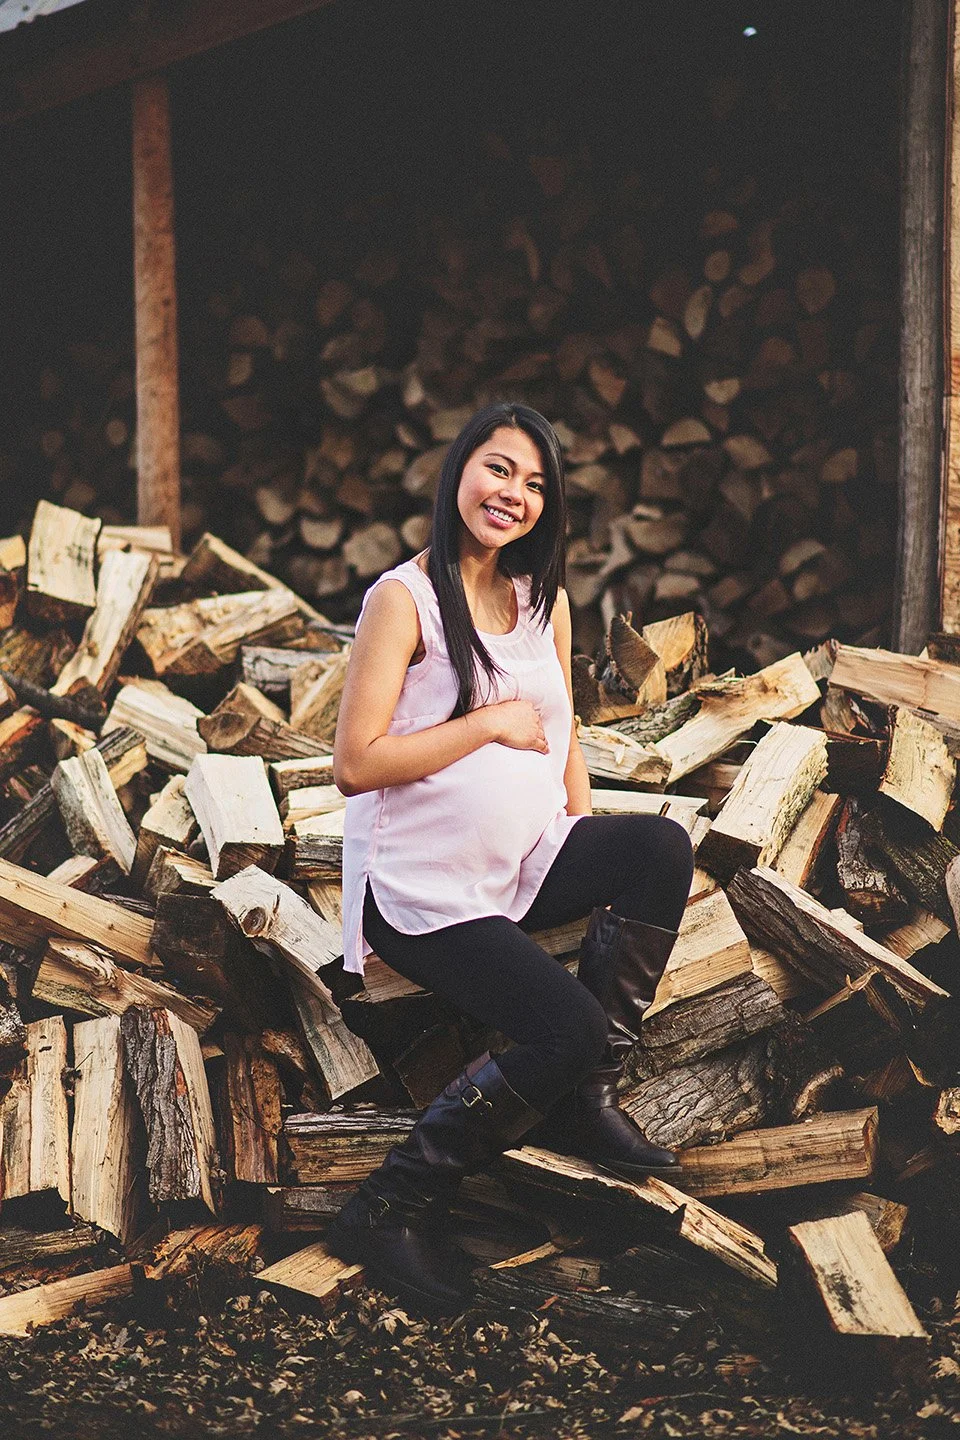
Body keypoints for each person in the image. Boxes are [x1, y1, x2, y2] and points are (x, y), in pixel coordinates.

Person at [328, 402, 694, 1312]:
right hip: (422, 890)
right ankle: (388, 1206)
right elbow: (355, 763)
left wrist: (580, 831)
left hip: (524, 859)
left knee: (658, 844)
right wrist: (485, 723)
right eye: (498, 469)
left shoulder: (543, 601)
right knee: (563, 1027)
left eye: (534, 483)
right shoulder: (402, 600)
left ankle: (584, 1099)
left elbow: (562, 732)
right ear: (460, 470)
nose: (513, 494)